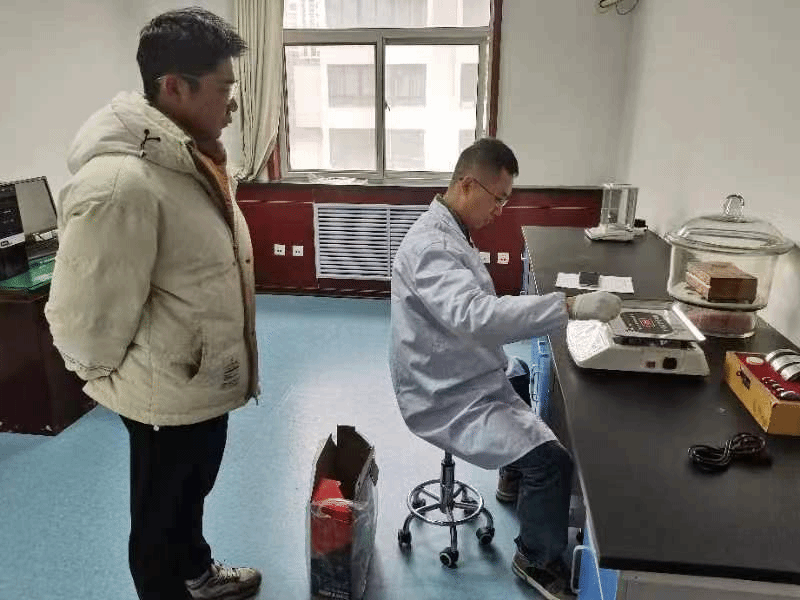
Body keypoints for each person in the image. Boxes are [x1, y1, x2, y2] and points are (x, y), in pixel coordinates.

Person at [45, 9, 261, 600]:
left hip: (196, 378)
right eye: (223, 88)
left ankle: (197, 572)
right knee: (159, 518)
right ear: (174, 87)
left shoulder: (191, 160)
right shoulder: (123, 183)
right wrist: (119, 381)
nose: (233, 105)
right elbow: (83, 314)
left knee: (190, 491)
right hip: (162, 390)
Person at [389, 137, 621, 599]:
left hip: (457, 367)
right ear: (467, 185)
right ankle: (536, 558)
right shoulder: (433, 246)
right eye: (498, 198)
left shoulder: (450, 228)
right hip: (441, 392)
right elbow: (477, 316)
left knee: (517, 373)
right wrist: (568, 307)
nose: (500, 210)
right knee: (553, 462)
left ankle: (512, 476)